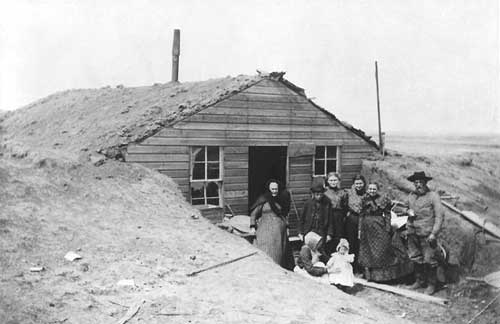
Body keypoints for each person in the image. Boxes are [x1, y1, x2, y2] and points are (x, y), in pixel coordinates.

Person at [358, 181, 413, 282]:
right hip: (367, 228)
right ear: (367, 190)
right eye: (370, 189)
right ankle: (371, 276)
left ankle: (386, 277)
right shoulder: (364, 199)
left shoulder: (383, 199)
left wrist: (387, 227)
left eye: (374, 189)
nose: (372, 191)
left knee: (382, 250)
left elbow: (387, 214)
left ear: (378, 190)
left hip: (379, 225)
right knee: (368, 251)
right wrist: (360, 229)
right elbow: (361, 215)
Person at [405, 171, 445, 295]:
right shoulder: (411, 195)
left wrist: (434, 233)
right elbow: (405, 207)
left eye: (420, 182)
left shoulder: (433, 196)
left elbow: (439, 216)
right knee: (415, 257)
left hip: (427, 234)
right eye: (416, 182)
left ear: (425, 182)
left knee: (429, 260)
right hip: (412, 232)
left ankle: (431, 284)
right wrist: (408, 211)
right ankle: (419, 281)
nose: (418, 185)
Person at [249, 179, 293, 269]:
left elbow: (284, 215)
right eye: (272, 189)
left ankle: (277, 267)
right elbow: (254, 214)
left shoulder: (281, 200)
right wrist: (252, 227)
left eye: (276, 189)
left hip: (279, 230)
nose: (274, 191)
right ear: (269, 189)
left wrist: (287, 227)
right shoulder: (263, 199)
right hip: (265, 228)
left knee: (278, 251)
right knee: (264, 248)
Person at [298, 178, 339, 251]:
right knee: (307, 250)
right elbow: (302, 219)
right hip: (309, 230)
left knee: (320, 251)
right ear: (313, 194)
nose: (319, 196)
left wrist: (329, 234)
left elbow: (330, 220)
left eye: (321, 194)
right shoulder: (308, 203)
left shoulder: (327, 203)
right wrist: (300, 232)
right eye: (317, 194)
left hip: (321, 231)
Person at [345, 174, 366, 272]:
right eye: (357, 183)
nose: (359, 185)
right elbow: (344, 205)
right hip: (352, 219)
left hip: (363, 219)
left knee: (361, 242)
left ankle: (361, 265)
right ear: (353, 184)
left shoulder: (367, 194)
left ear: (364, 184)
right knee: (351, 242)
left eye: (360, 183)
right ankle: (351, 266)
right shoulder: (349, 193)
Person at [323, 172, 347, 253]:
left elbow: (345, 206)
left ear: (338, 181)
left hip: (338, 216)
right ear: (327, 181)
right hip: (327, 215)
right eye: (331, 180)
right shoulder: (325, 192)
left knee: (338, 236)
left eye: (335, 180)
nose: (333, 182)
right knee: (329, 235)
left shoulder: (342, 192)